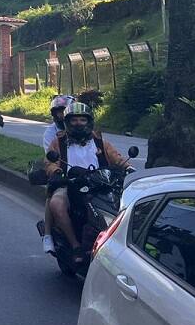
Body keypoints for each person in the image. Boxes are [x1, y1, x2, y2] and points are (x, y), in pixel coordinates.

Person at [42, 101, 130, 263]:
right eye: (74, 120)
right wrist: (56, 171)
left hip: (100, 184)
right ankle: (76, 245)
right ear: (67, 122)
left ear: (89, 122)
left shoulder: (99, 141)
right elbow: (50, 161)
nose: (78, 124)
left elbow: (116, 158)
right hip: (70, 184)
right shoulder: (59, 142)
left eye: (82, 120)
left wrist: (128, 168)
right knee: (56, 203)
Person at [40, 94, 74, 253]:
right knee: (52, 194)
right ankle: (47, 234)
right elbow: (50, 155)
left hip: (87, 174)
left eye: (65, 110)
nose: (62, 114)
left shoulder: (89, 133)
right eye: (59, 111)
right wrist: (57, 171)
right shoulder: (51, 133)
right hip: (62, 171)